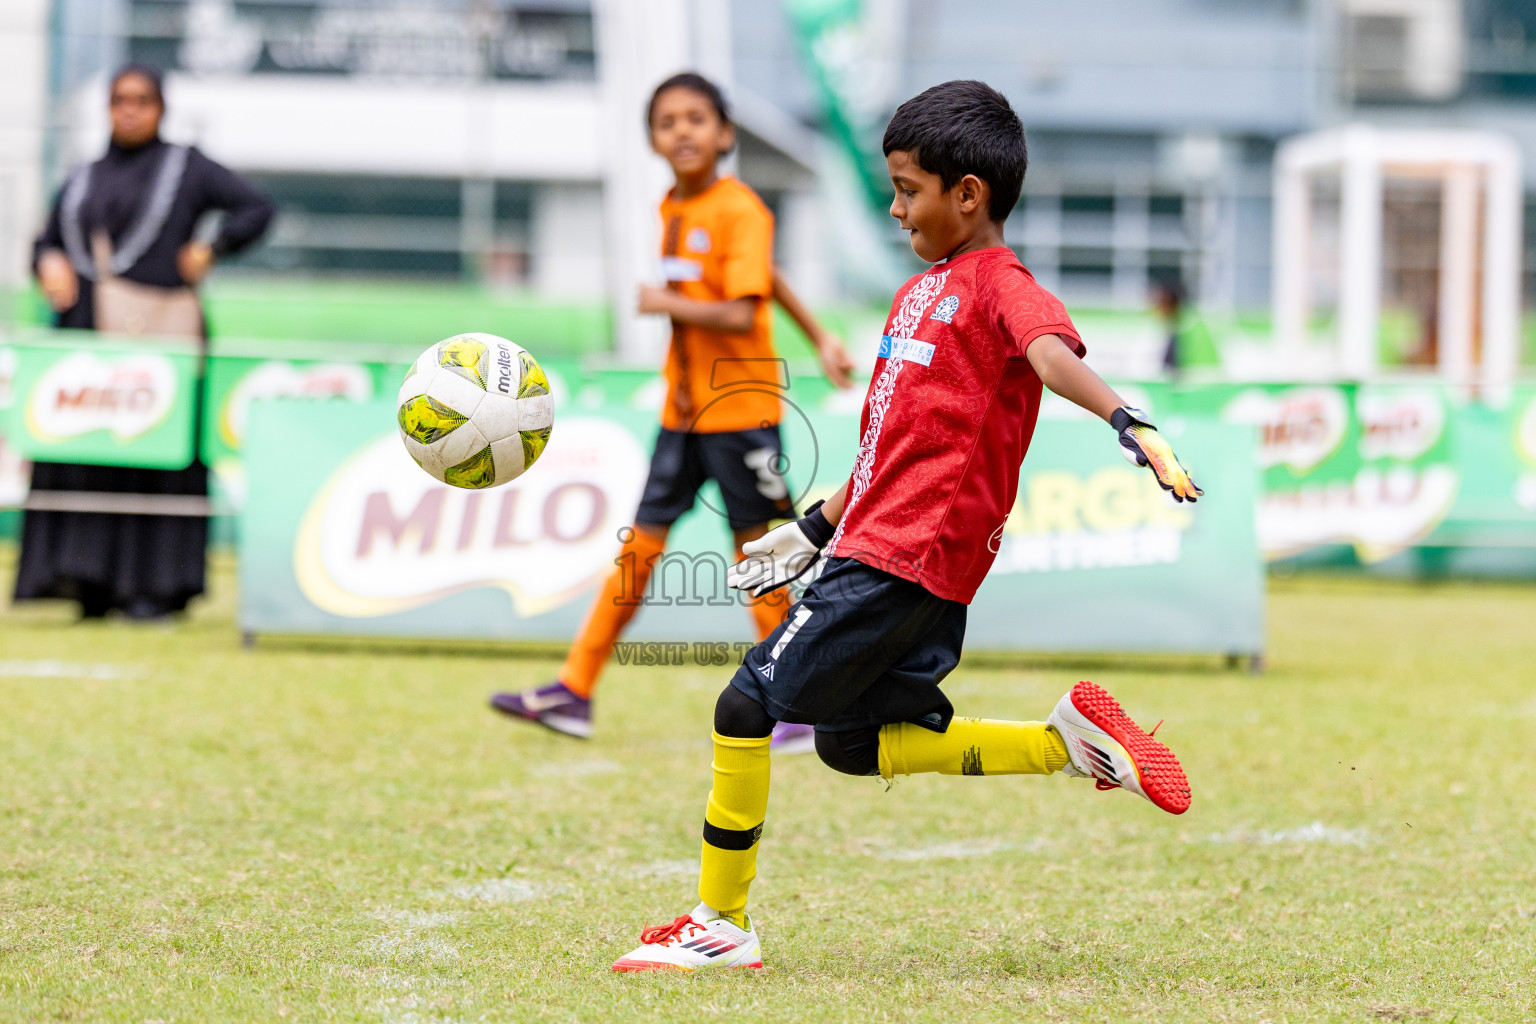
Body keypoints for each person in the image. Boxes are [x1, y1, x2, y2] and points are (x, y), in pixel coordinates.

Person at [609, 80, 1203, 973]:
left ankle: (719, 925)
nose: (895, 209)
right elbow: (894, 439)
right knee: (852, 746)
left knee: (745, 704)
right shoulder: (918, 294)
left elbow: (1049, 354)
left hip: (908, 558)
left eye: (907, 189)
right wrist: (813, 527)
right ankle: (1067, 742)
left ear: (968, 194)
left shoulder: (1002, 285)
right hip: (879, 549)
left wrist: (1128, 421)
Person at [490, 72, 853, 743]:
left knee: (763, 562)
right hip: (682, 417)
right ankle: (574, 689)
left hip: (742, 413)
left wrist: (667, 303)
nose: (682, 130)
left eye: (696, 118)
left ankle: (793, 708)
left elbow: (743, 309)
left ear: (724, 133)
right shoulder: (674, 206)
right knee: (639, 550)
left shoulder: (740, 209)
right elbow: (767, 278)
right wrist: (819, 334)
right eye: (667, 121)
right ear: (653, 139)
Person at [20, 63, 273, 619]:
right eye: (118, 100)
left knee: (156, 454)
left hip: (160, 339)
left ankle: (154, 588)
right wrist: (48, 262)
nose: (129, 110)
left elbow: (257, 208)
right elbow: (46, 238)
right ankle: (87, 582)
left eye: (141, 100)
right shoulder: (85, 174)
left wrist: (213, 248)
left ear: (161, 108)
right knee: (90, 453)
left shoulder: (186, 167)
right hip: (88, 340)